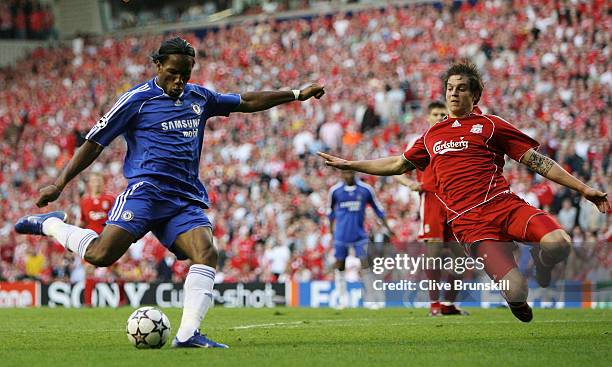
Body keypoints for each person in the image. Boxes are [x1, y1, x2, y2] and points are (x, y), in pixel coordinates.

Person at [15, 37, 325, 347]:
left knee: (207, 252)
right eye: (173, 72)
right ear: (158, 65)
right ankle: (51, 224)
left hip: (182, 199)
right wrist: (59, 183)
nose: (179, 80)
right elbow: (94, 143)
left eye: (186, 74)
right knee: (101, 256)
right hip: (145, 193)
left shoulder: (199, 97)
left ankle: (188, 334)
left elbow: (246, 101)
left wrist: (296, 94)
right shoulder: (136, 100)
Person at [318, 61, 609, 323]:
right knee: (517, 291)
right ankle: (513, 297)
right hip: (471, 225)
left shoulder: (491, 125)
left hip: (505, 206)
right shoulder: (432, 136)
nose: (453, 94)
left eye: (461, 89)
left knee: (560, 243)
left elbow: (539, 162)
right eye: (449, 88)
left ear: (475, 96)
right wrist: (352, 163)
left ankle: (543, 266)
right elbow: (397, 163)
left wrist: (584, 189)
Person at [395, 101, 467, 316]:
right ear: (428, 117)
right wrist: (410, 184)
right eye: (435, 114)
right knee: (434, 254)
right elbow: (398, 169)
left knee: (460, 257)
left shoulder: (458, 139)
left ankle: (449, 303)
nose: (439, 117)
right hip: (432, 199)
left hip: (456, 201)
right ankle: (434, 304)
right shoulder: (421, 141)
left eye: (443, 114)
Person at [328, 169, 392, 309]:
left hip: (360, 235)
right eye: (346, 173)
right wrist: (331, 231)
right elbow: (330, 213)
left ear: (355, 174)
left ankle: (371, 299)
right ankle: (342, 300)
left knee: (365, 265)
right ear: (341, 174)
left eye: (351, 173)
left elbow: (378, 209)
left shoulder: (365, 190)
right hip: (341, 235)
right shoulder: (335, 191)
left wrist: (387, 227)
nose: (348, 175)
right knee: (340, 266)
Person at [78, 172, 120, 307]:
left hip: (107, 240)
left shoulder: (110, 199)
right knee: (88, 269)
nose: (96, 183)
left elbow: (117, 220)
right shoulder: (84, 201)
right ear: (89, 183)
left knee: (115, 271)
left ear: (103, 182)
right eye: (94, 180)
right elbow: (83, 222)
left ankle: (122, 300)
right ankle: (88, 303)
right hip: (91, 242)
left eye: (99, 180)